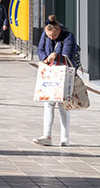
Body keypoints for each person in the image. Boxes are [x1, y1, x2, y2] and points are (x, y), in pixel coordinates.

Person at [34, 16, 82, 147]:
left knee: (62, 105)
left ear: (59, 30)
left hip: (63, 73)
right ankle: (47, 135)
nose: (51, 38)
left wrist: (56, 55)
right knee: (48, 103)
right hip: (49, 73)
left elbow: (68, 54)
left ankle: (65, 137)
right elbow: (40, 49)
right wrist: (45, 58)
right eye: (49, 36)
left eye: (54, 35)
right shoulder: (45, 34)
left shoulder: (68, 37)